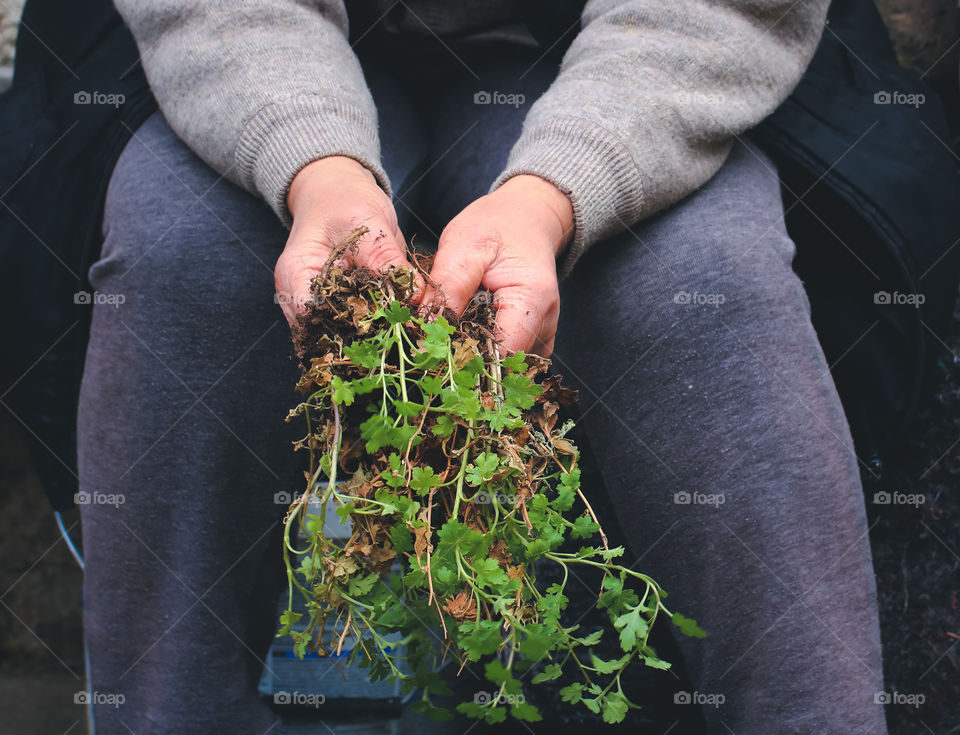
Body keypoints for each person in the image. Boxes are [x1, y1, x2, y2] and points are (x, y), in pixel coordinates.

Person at [76, 1, 888, 733]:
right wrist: (313, 165)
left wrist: (551, 195)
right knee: (178, 259)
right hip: (268, 52)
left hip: (622, 69)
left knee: (705, 282)